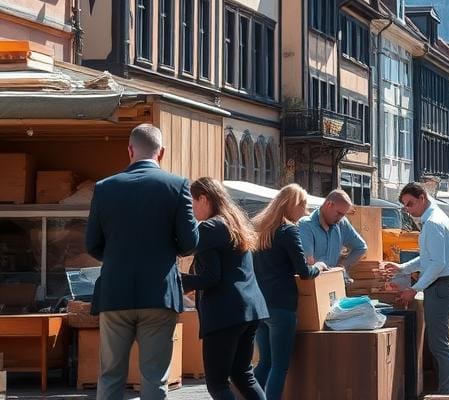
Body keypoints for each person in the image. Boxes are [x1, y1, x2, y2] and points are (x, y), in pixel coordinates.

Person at [85, 124, 198, 400]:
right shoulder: (177, 185)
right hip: (158, 294)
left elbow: (92, 244)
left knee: (110, 375)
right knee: (155, 376)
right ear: (161, 153)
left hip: (115, 293)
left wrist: (117, 259)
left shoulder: (104, 188)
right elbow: (190, 243)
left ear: (129, 150)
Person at [183, 178, 269, 400]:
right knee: (243, 375)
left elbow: (210, 278)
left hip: (225, 314)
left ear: (203, 198)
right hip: (250, 309)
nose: (190, 210)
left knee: (217, 384)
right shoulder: (233, 223)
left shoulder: (209, 228)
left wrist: (177, 280)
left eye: (191, 203)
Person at [382, 183, 449, 396]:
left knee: (438, 345)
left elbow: (437, 263)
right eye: (405, 206)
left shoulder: (432, 223)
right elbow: (429, 259)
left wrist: (415, 288)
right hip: (442, 286)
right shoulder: (435, 219)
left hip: (440, 287)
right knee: (440, 342)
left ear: (422, 198)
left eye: (410, 204)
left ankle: (447, 392)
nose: (409, 210)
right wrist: (403, 268)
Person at [252, 185, 322, 400]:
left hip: (259, 305)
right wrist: (318, 266)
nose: (305, 212)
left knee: (265, 362)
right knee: (280, 366)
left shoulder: (259, 228)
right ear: (295, 205)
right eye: (304, 206)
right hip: (281, 305)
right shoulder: (288, 230)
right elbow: (303, 272)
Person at [298, 188, 367, 279]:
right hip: (312, 283)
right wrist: (319, 268)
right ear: (328, 204)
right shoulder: (306, 225)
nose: (340, 218)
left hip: (333, 283)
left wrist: (342, 266)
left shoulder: (342, 223)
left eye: (343, 215)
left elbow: (361, 247)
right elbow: (307, 263)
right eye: (338, 213)